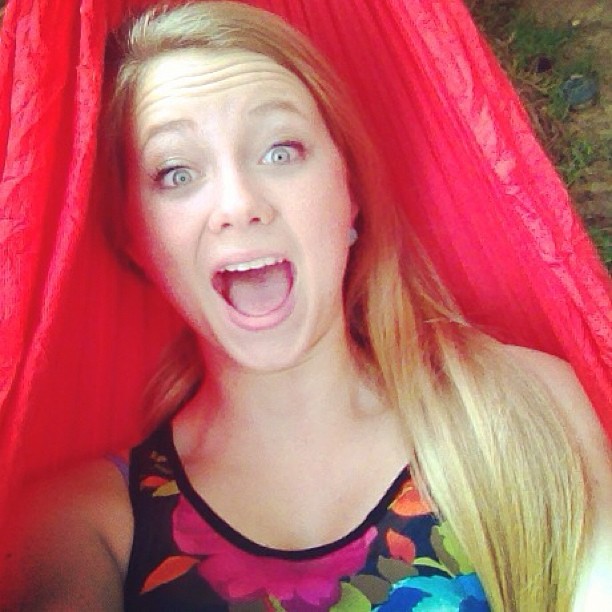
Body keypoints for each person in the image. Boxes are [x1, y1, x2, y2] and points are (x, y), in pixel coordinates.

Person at [1, 2, 610, 610]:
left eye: (281, 151)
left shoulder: (526, 411)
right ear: (136, 239)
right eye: (176, 172)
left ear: (350, 193)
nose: (240, 204)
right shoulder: (84, 525)